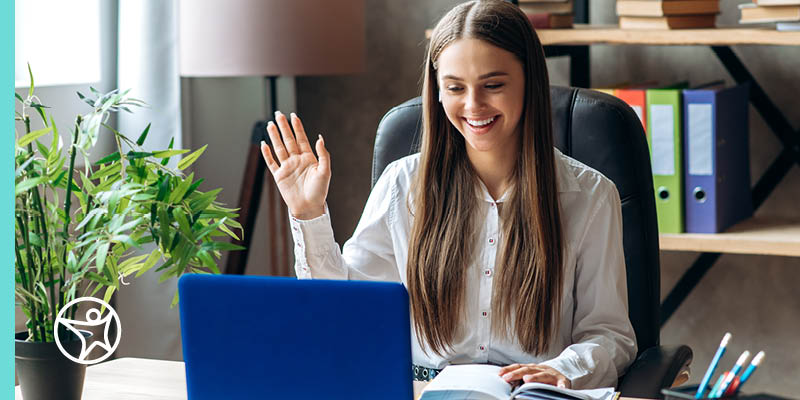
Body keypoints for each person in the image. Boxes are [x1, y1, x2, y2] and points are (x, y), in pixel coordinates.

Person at [259, 0, 636, 390]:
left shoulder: (590, 196)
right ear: (437, 92)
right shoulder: (402, 185)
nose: (473, 105)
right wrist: (308, 213)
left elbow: (610, 335)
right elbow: (343, 311)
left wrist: (565, 370)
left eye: (493, 85)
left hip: (532, 396)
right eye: (455, 88)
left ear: (530, 83)